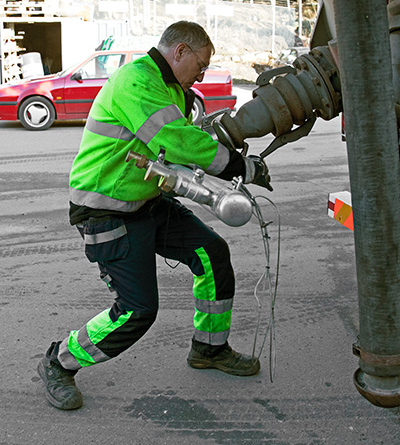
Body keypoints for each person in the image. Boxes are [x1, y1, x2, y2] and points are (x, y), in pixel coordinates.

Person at [37, 20, 272, 410]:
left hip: (147, 201)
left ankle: (210, 349)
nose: (202, 73)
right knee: (136, 310)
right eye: (201, 63)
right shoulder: (136, 80)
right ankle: (58, 361)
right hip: (105, 211)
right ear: (179, 51)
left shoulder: (173, 89)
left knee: (212, 255)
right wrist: (238, 167)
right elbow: (177, 141)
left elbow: (173, 156)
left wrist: (209, 188)